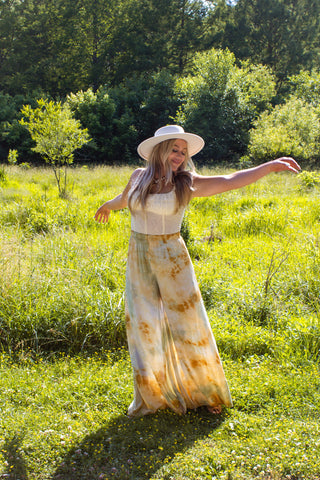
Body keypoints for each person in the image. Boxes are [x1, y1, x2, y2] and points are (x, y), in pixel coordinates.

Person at [94, 125, 300, 418]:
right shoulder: (138, 177)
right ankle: (153, 395)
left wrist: (268, 166)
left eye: (183, 151)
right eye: (174, 149)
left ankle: (204, 393)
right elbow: (124, 199)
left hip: (172, 259)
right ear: (160, 150)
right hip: (139, 259)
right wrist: (108, 206)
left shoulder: (186, 182)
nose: (179, 156)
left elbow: (230, 180)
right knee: (144, 327)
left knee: (189, 325)